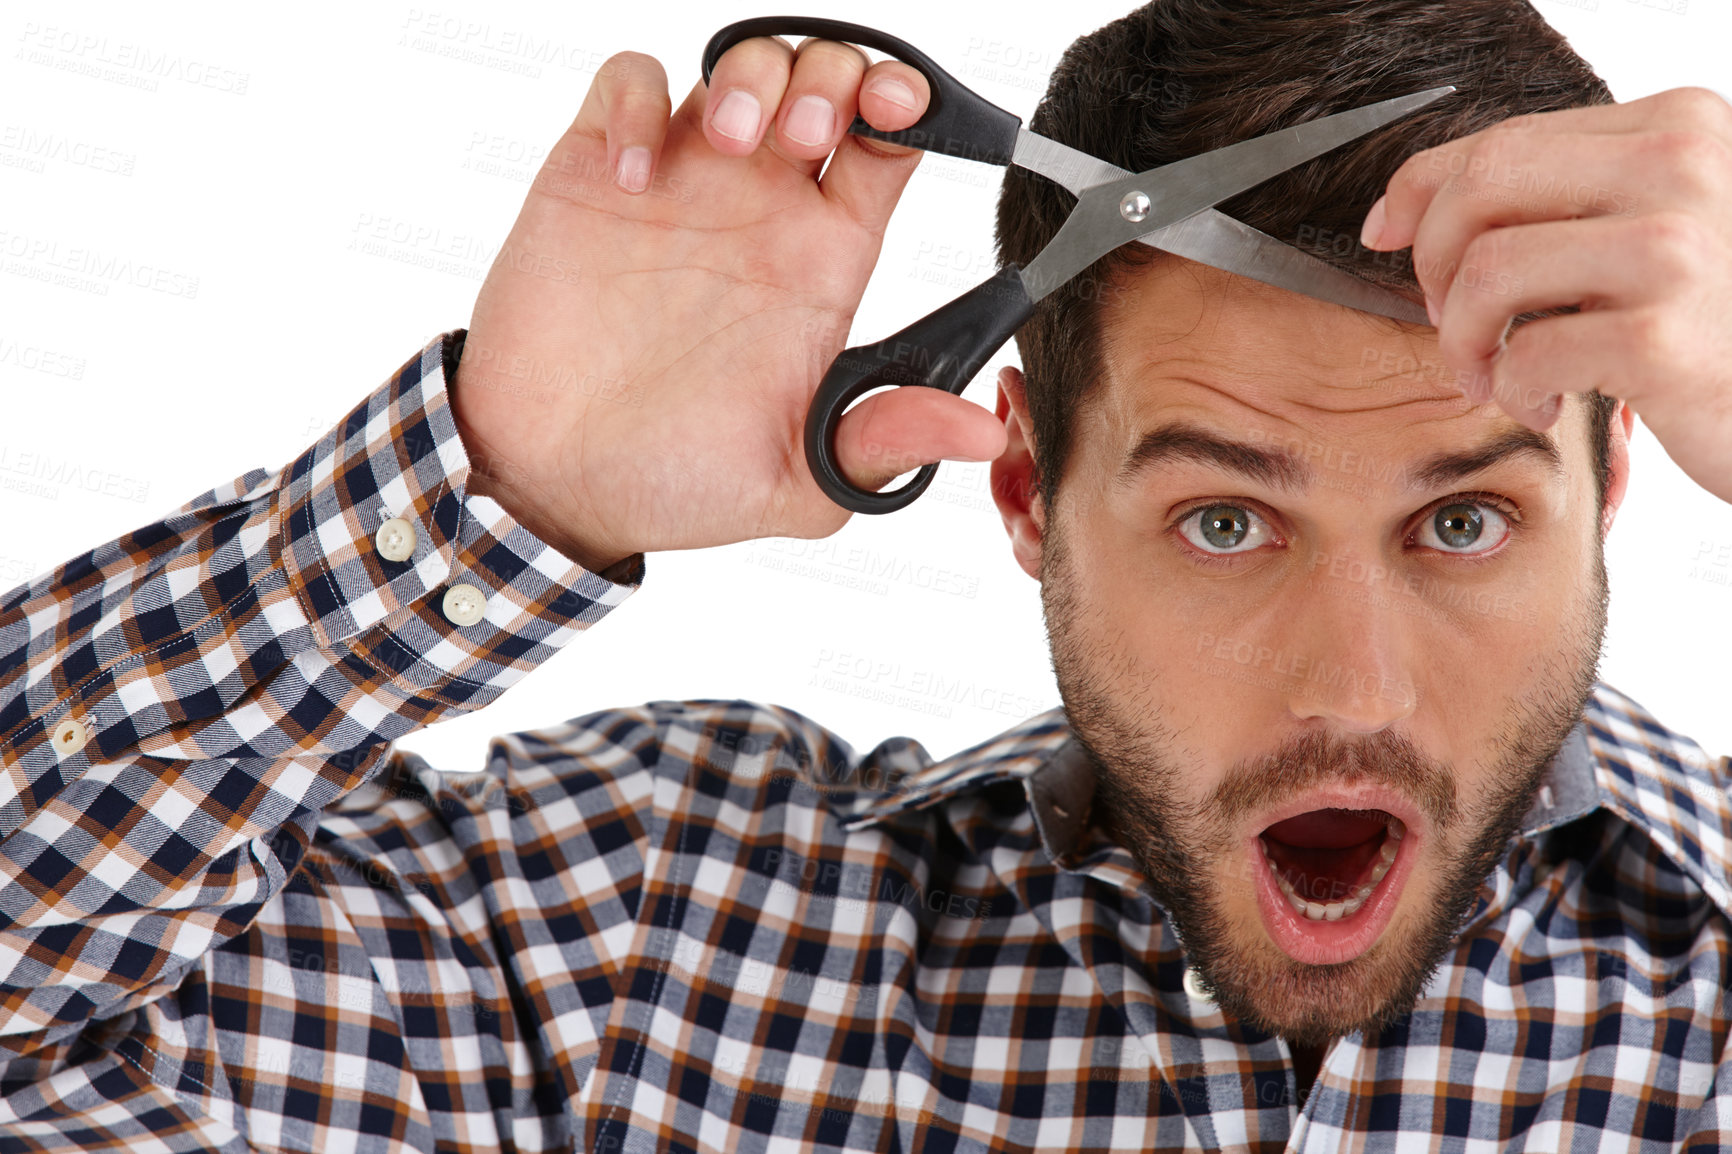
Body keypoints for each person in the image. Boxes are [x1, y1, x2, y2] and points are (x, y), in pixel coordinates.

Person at [2, 0, 1730, 1148]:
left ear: (1616, 475)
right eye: (1224, 519)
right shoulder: (640, 941)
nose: (1354, 681)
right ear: (1031, 495)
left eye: (1463, 521)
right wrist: (502, 486)